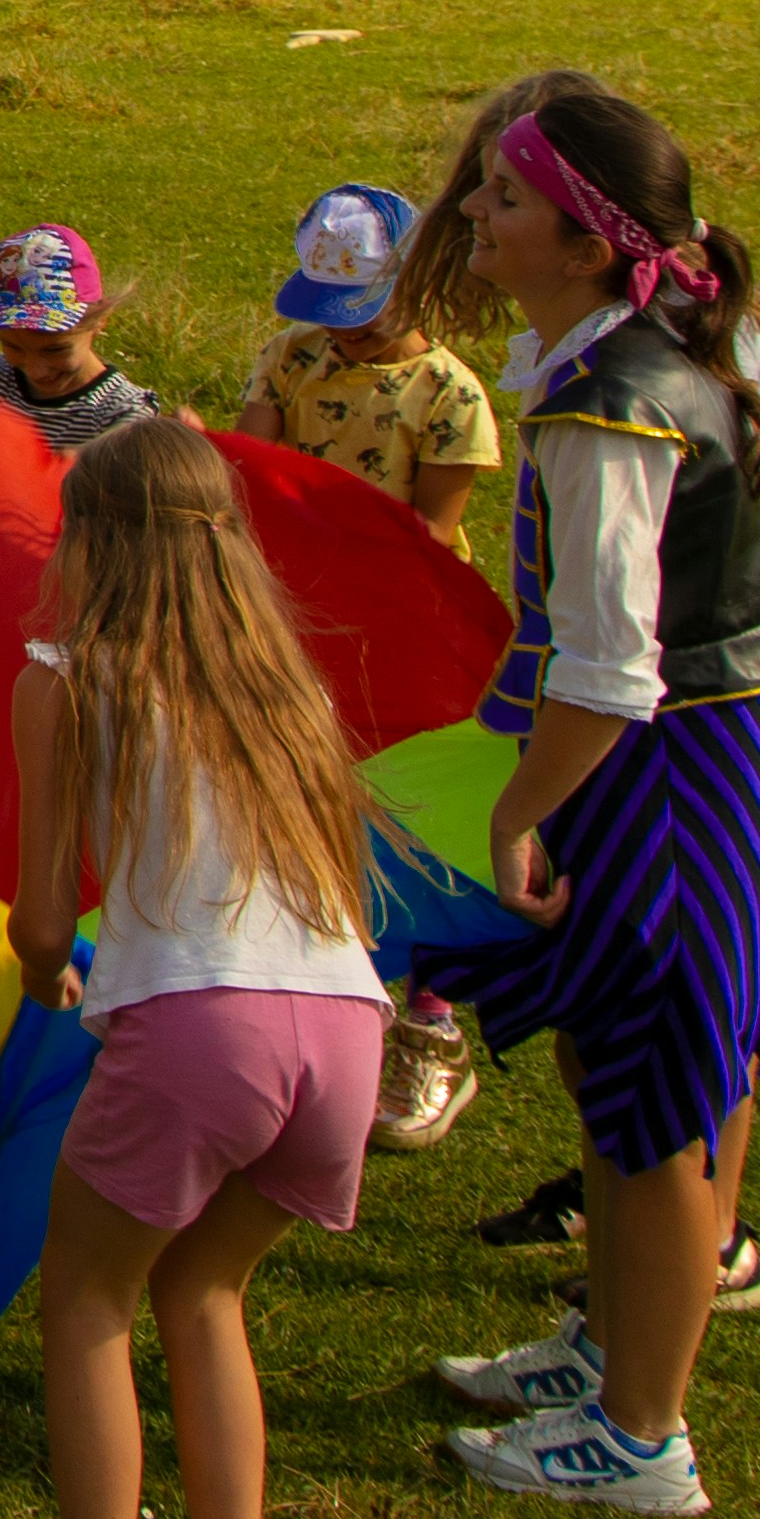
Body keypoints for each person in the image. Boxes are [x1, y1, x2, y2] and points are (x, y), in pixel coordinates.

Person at [402, 85, 760, 1515]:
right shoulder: (683, 325)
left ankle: (640, 1434)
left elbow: (607, 666)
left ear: (588, 243)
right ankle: (631, 1335)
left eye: (506, 200)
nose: (474, 212)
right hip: (751, 741)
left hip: (669, 773)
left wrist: (517, 810)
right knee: (694, 1071)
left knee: (647, 1090)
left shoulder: (605, 407)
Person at [2, 422, 404, 1519]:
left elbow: (45, 912)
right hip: (344, 1034)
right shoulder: (285, 690)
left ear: (93, 546)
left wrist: (44, 979)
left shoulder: (71, 678)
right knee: (210, 1294)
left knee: (88, 1307)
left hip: (201, 1034)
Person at [248, 182, 509, 1149]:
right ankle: (331, 1010)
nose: (343, 339)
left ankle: (432, 1025)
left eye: (362, 318)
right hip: (294, 622)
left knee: (411, 811)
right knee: (306, 808)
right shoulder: (293, 357)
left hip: (402, 633)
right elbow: (254, 467)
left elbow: (434, 534)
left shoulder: (449, 395)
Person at [0, 225, 165, 453]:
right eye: (13, 347)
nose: (36, 371)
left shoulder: (125, 414)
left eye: (55, 350)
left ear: (99, 321)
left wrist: (79, 462)